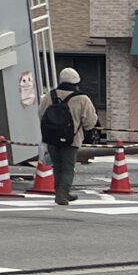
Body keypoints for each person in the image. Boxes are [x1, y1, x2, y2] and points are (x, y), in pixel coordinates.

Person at [39, 67, 98, 206]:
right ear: (77, 81)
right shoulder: (82, 98)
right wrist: (87, 130)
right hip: (71, 139)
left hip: (52, 138)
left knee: (57, 166)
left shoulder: (50, 95)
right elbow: (90, 120)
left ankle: (61, 191)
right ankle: (62, 194)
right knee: (67, 168)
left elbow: (41, 114)